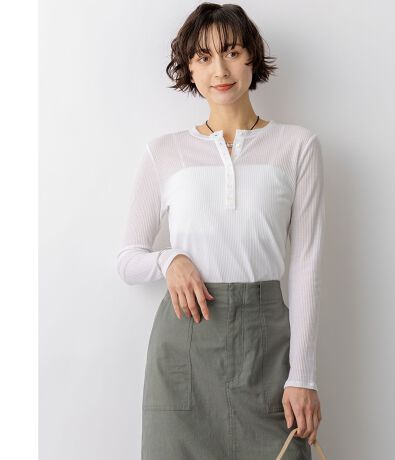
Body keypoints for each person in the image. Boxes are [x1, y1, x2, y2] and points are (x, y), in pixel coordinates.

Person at [117, 3, 325, 459]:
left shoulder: (296, 147)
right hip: (185, 351)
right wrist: (169, 259)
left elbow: (306, 265)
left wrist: (303, 376)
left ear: (252, 57)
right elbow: (128, 259)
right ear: (189, 68)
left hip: (268, 350)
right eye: (204, 57)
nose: (220, 70)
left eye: (231, 52)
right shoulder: (165, 153)